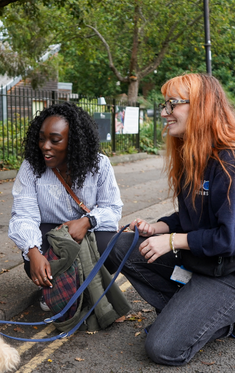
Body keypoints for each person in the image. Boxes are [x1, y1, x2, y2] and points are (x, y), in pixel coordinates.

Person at [110, 73, 235, 366]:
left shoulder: (229, 163)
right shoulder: (191, 156)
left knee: (163, 349)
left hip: (226, 273)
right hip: (198, 262)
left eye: (172, 104)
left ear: (201, 106)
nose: (165, 113)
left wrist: (172, 241)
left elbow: (228, 238)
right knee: (119, 245)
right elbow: (193, 216)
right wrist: (159, 227)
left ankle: (221, 319)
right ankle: (189, 310)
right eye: (164, 105)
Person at [8, 102, 123, 310]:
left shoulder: (99, 165)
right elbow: (23, 216)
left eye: (55, 140)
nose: (45, 146)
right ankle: (54, 289)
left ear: (74, 142)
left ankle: (85, 287)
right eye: (42, 139)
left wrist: (87, 221)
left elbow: (112, 209)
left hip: (86, 231)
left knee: (111, 246)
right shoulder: (31, 167)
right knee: (33, 258)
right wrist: (33, 252)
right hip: (49, 234)